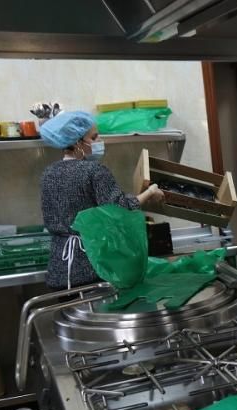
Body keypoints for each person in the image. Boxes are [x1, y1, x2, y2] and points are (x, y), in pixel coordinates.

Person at [39, 111, 164, 290]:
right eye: (94, 137)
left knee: (74, 317)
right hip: (91, 265)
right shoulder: (94, 171)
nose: (99, 142)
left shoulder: (48, 173)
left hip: (60, 269)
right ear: (77, 142)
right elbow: (120, 208)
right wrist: (150, 192)